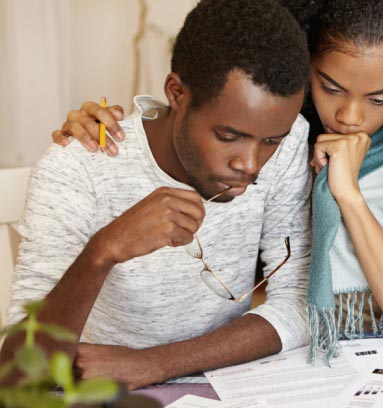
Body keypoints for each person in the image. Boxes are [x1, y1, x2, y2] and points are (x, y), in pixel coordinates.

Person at [53, 0, 383, 365]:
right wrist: (104, 124)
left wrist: (348, 195)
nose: (349, 116)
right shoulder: (277, 140)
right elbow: (204, 111)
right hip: (271, 358)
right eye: (330, 86)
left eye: (379, 99)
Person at [3, 0, 312, 389]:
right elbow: (16, 374)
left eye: (270, 141)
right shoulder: (81, 166)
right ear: (177, 93)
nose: (251, 164)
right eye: (228, 136)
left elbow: (301, 304)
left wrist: (157, 363)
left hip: (220, 386)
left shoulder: (288, 137)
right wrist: (103, 252)